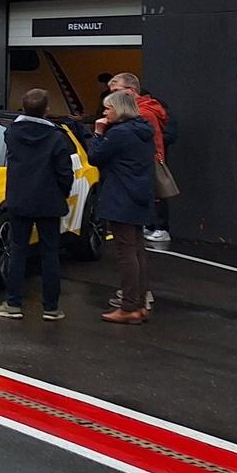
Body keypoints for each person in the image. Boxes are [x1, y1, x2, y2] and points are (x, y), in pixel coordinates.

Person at [0, 90, 75, 320]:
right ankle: (51, 307)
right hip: (49, 200)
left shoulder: (12, 133)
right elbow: (64, 171)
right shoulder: (56, 137)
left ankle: (13, 303)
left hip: (20, 199)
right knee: (50, 254)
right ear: (47, 109)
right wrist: (63, 193)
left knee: (18, 250)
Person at [90, 90, 157, 324]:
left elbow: (95, 157)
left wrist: (98, 134)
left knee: (125, 252)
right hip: (139, 194)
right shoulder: (143, 131)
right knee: (137, 251)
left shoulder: (118, 134)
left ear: (119, 109)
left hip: (120, 196)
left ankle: (129, 306)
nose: (104, 112)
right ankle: (139, 304)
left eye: (108, 108)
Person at [107, 73, 172, 242]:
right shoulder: (148, 109)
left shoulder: (142, 113)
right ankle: (154, 226)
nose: (113, 95)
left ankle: (157, 226)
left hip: (144, 160)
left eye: (116, 91)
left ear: (131, 90)